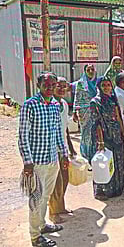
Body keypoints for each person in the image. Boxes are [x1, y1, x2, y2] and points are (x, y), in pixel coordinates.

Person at [18, 72, 67, 246]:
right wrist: (27, 162)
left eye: (53, 85)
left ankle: (41, 224)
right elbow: (23, 135)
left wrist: (64, 153)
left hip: (52, 160)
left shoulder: (55, 105)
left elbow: (58, 131)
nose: (50, 88)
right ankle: (35, 236)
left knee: (45, 196)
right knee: (35, 199)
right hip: (36, 163)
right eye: (46, 85)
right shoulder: (29, 105)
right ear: (39, 85)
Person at [87, 77, 124, 200]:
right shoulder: (95, 102)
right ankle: (102, 191)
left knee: (117, 162)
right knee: (103, 164)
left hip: (116, 135)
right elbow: (97, 123)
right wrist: (100, 141)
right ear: (99, 87)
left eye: (108, 85)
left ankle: (116, 189)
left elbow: (118, 117)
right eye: (103, 85)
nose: (106, 87)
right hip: (103, 137)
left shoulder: (112, 100)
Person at [48, 77, 77, 225]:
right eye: (58, 86)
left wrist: (70, 147)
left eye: (64, 87)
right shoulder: (48, 104)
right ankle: (53, 213)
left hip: (63, 147)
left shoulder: (64, 104)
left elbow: (65, 127)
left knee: (65, 178)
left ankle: (61, 207)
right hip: (51, 149)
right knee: (55, 181)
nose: (61, 89)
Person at [73, 64, 97, 161]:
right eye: (88, 70)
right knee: (85, 134)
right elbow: (77, 97)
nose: (90, 71)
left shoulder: (97, 82)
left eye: (92, 69)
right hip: (84, 112)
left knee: (95, 133)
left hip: (95, 111)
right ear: (85, 71)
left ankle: (94, 155)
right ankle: (85, 156)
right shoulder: (81, 83)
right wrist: (75, 111)